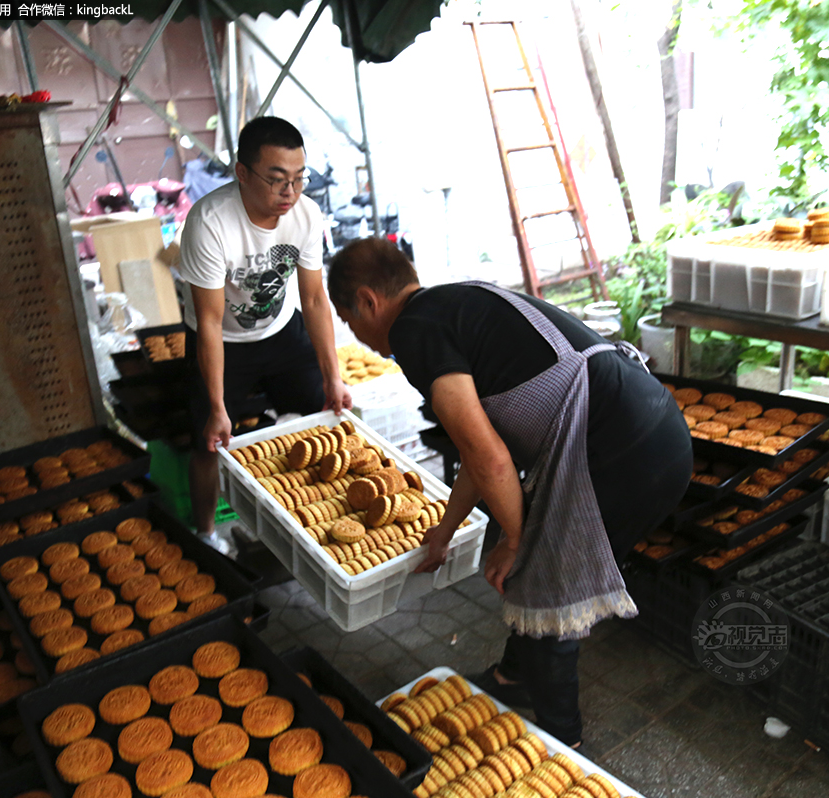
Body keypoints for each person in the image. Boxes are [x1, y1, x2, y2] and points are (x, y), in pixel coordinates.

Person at [326, 237, 692, 746]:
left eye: (349, 323)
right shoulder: (452, 302)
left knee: (544, 589)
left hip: (623, 451)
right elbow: (480, 446)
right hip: (654, 431)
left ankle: (565, 746)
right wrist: (445, 531)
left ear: (368, 301)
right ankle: (514, 678)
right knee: (536, 569)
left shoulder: (414, 331)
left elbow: (490, 458)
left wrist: (516, 541)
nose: (358, 339)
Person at [175, 117, 352, 553]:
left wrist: (334, 376)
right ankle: (206, 534)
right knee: (208, 442)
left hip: (280, 332)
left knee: (327, 415)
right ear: (241, 173)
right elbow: (211, 322)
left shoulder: (306, 215)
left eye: (297, 179)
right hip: (223, 343)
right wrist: (218, 407)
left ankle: (328, 516)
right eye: (276, 181)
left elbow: (313, 301)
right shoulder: (210, 222)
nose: (288, 193)